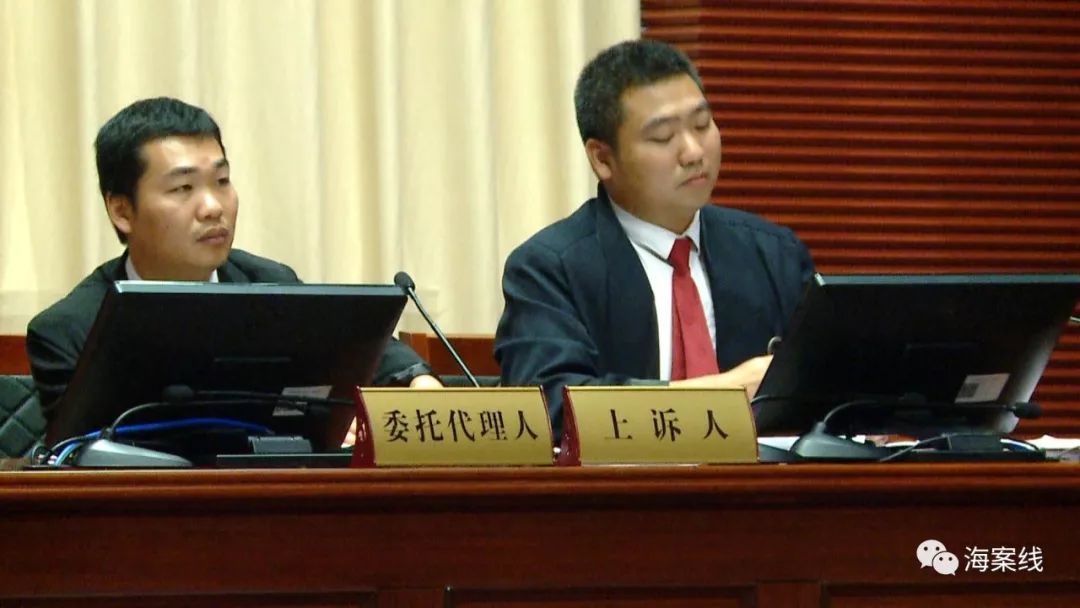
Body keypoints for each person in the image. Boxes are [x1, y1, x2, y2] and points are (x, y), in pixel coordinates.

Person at [26, 97, 440, 433]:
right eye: (183, 188)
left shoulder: (267, 284)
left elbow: (355, 338)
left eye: (221, 181)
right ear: (122, 210)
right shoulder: (69, 332)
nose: (212, 207)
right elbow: (83, 461)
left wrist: (417, 378)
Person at [494, 39, 815, 437]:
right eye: (663, 137)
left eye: (702, 125)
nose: (694, 152)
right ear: (603, 159)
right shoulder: (550, 268)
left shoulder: (775, 254)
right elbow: (549, 409)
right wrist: (724, 394)